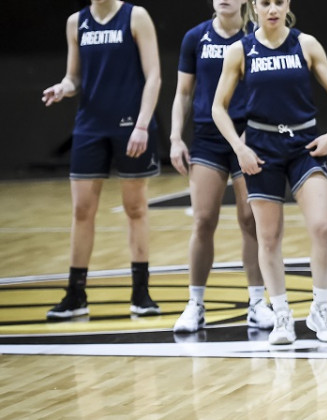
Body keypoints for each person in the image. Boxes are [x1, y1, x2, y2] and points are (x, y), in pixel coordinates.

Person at [212, 0, 327, 345]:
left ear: (287, 4)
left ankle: (321, 309)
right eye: (265, 2)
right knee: (268, 237)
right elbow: (218, 107)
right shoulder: (241, 50)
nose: (273, 9)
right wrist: (239, 148)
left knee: (322, 225)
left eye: (279, 2)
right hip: (261, 147)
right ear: (254, 6)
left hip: (303, 144)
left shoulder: (306, 44)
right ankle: (282, 315)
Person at [42, 0, 161, 320]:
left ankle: (141, 292)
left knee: (135, 208)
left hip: (130, 127)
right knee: (82, 210)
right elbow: (74, 77)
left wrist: (141, 125)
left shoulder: (135, 16)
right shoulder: (75, 22)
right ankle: (76, 294)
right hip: (90, 127)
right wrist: (63, 88)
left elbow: (154, 77)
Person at [169, 0, 274, 333]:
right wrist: (174, 137)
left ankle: (257, 302)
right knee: (203, 219)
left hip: (248, 136)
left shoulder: (255, 37)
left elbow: (267, 90)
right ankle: (195, 304)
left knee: (249, 219)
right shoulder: (195, 38)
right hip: (208, 138)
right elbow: (183, 92)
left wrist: (247, 136)